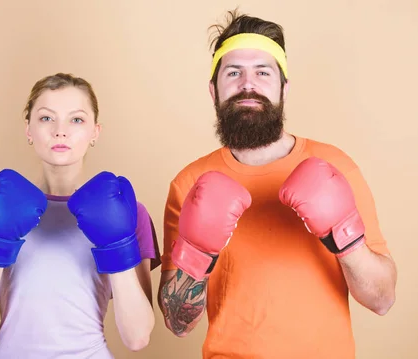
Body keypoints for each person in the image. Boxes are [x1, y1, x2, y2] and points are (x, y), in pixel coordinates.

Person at [157, 9, 398, 359]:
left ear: (284, 87)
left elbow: (382, 300)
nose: (248, 84)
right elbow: (177, 324)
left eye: (263, 72)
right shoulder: (188, 183)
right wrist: (197, 254)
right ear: (213, 90)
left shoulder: (336, 166)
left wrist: (344, 235)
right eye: (233, 72)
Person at [0, 73, 160, 358]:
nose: (60, 131)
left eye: (76, 119)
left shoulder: (130, 212)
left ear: (95, 132)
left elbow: (137, 337)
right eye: (46, 118)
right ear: (28, 129)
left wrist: (117, 244)